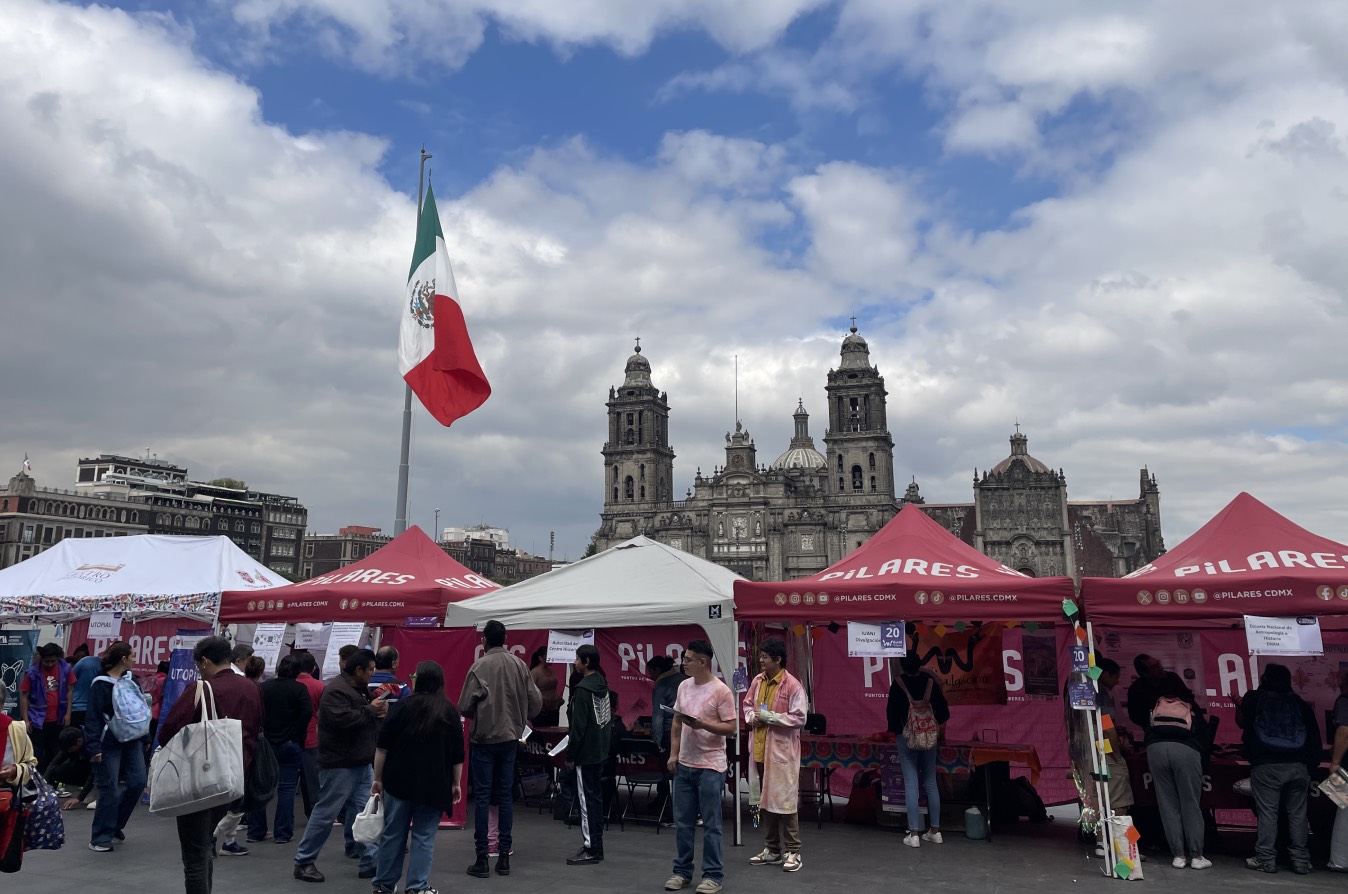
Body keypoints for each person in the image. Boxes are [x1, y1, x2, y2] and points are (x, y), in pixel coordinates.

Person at [158, 635, 263, 894]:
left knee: (194, 851)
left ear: (205, 661)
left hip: (200, 776)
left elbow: (169, 730)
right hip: (234, 774)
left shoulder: (201, 689)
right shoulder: (251, 687)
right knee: (205, 842)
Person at [293, 647, 389, 883]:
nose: (372, 674)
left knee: (365, 812)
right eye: (370, 670)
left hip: (358, 760)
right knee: (326, 812)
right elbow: (340, 721)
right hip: (339, 763)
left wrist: (376, 710)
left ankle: (370, 859)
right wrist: (371, 710)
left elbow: (356, 716)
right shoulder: (337, 690)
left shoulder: (355, 688)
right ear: (358, 670)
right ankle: (304, 861)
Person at [370, 660, 465, 894]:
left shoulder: (402, 707)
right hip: (434, 784)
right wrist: (456, 783)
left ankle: (383, 885)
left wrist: (378, 779)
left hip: (398, 781)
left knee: (393, 834)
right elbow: (457, 755)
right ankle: (417, 887)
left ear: (418, 680)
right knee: (424, 836)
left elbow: (382, 748)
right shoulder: (449, 711)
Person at [458, 619, 542, 879]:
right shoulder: (519, 665)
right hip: (510, 739)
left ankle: (482, 858)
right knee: (504, 797)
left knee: (482, 797)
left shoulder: (479, 666)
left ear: (484, 640)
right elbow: (535, 702)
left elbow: (464, 706)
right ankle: (504, 857)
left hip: (484, 739)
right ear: (505, 639)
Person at [665, 639, 736, 894]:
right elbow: (676, 722)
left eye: (687, 659)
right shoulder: (684, 687)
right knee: (682, 822)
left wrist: (703, 725)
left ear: (703, 662)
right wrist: (674, 754)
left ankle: (713, 875)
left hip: (710, 766)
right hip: (685, 764)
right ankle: (682, 871)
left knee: (711, 824)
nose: (683, 663)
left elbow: (731, 727)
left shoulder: (721, 691)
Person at [1236, 662, 1321, 874]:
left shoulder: (1253, 699)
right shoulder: (1300, 704)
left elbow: (1242, 725)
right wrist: (1309, 765)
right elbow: (1314, 738)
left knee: (1268, 813)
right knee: (1298, 814)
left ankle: (1265, 859)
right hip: (1298, 766)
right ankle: (1301, 860)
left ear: (1265, 679)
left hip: (1266, 766)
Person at [742, 638, 807, 872]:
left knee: (786, 803)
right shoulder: (758, 681)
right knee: (764, 801)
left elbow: (800, 718)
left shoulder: (792, 685)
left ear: (778, 660)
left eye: (765, 657)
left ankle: (793, 851)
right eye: (761, 656)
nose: (760, 660)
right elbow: (747, 706)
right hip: (759, 750)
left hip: (782, 753)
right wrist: (751, 717)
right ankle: (772, 849)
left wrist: (771, 718)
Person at [84, 641, 149, 852]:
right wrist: (94, 747)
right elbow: (93, 718)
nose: (134, 659)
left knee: (138, 782)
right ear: (123, 659)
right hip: (108, 740)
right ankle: (100, 836)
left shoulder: (133, 681)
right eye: (132, 655)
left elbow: (139, 709)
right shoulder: (100, 684)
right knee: (109, 787)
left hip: (133, 738)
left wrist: (145, 737)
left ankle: (114, 825)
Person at [1144, 672, 1210, 869]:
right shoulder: (1189, 705)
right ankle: (1197, 856)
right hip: (1185, 751)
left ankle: (1178, 856)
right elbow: (1204, 735)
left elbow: (1148, 729)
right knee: (1190, 803)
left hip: (1156, 750)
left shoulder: (1156, 704)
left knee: (1167, 805)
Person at [244, 654, 312, 845]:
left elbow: (255, 711)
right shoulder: (299, 689)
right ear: (297, 671)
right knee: (287, 788)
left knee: (260, 786)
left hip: (265, 742)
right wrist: (294, 734)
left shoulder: (263, 688)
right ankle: (283, 832)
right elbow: (307, 712)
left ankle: (255, 831)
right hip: (290, 744)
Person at [886, 653, 950, 848]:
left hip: (906, 738)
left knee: (911, 783)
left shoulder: (898, 684)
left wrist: (900, 731)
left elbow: (891, 715)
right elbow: (945, 712)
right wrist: (931, 727)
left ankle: (913, 834)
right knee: (930, 782)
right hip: (929, 739)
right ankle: (935, 831)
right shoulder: (930, 683)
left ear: (902, 666)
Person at [566, 644, 613, 866]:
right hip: (600, 751)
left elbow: (578, 728)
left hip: (586, 754)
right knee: (595, 800)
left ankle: (591, 847)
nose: (574, 663)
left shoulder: (583, 690)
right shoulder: (601, 684)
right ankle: (597, 845)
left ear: (586, 662)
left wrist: (570, 755)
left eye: (577, 659)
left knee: (586, 803)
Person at [19, 642, 74, 770]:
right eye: (46, 661)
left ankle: (51, 781)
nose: (49, 664)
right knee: (37, 753)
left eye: (53, 661)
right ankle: (36, 782)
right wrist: (26, 720)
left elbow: (70, 690)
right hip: (37, 720)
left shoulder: (65, 669)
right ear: (41, 659)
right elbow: (24, 696)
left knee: (55, 751)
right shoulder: (32, 673)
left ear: (58, 658)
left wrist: (68, 713)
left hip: (58, 718)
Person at [1096, 658, 1135, 823]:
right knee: (1120, 802)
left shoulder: (1087, 689)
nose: (1118, 681)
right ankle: (1123, 845)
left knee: (1097, 800)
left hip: (1093, 749)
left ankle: (1100, 843)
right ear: (1105, 674)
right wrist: (1116, 755)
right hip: (1107, 751)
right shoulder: (1101, 693)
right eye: (1115, 677)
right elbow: (1107, 725)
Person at [649, 655, 687, 817]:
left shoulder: (662, 684)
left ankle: (666, 805)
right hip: (687, 730)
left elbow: (658, 715)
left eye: (650, 672)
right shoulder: (684, 680)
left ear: (657, 670)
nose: (650, 676)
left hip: (668, 732)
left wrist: (656, 741)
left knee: (667, 771)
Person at [294, 651, 325, 817]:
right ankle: (313, 812)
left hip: (288, 736)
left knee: (285, 781)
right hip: (310, 736)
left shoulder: (290, 683)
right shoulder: (319, 686)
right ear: (314, 667)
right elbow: (323, 713)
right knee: (311, 780)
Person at [48, 726, 95, 808]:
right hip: (84, 765)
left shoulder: (92, 744)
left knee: (98, 773)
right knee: (54, 771)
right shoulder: (73, 741)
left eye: (70, 749)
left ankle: (98, 794)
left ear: (79, 741)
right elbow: (54, 763)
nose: (68, 751)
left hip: (100, 769)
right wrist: (43, 788)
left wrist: (79, 798)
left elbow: (94, 773)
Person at [1126, 654, 1166, 733]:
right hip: (1155, 733)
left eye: (1158, 663)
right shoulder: (1136, 689)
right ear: (1145, 673)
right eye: (1155, 667)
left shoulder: (1172, 678)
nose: (1160, 667)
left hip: (1182, 729)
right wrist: (1151, 724)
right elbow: (1135, 716)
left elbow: (1189, 700)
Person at [70, 644, 102, 730]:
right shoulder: (100, 665)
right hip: (90, 710)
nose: (80, 659)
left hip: (77, 708)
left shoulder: (78, 666)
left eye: (82, 657)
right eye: (78, 657)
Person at [530, 646, 564, 727]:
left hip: (554, 708)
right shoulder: (534, 672)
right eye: (549, 656)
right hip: (542, 710)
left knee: (553, 732)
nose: (551, 658)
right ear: (541, 658)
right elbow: (530, 692)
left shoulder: (551, 670)